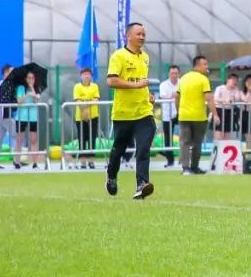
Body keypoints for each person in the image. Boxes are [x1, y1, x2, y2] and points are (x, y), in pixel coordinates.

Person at [105, 22, 157, 200]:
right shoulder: (118, 56)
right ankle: (111, 176)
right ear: (128, 36)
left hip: (144, 112)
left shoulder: (146, 57)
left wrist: (148, 94)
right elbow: (111, 81)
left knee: (143, 149)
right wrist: (136, 85)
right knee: (118, 151)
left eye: (143, 34)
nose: (142, 37)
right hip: (123, 114)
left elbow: (142, 82)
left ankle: (142, 184)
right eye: (138, 34)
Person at [176, 55, 219, 175]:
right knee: (197, 143)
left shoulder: (183, 78)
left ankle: (185, 168)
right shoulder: (203, 79)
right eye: (205, 64)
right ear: (198, 65)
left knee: (184, 142)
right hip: (199, 117)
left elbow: (177, 96)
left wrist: (178, 110)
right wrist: (215, 114)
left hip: (184, 116)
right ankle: (194, 167)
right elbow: (209, 99)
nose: (207, 67)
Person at [0, 64, 19, 170]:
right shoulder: (3, 84)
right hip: (3, 114)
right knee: (16, 135)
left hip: (3, 115)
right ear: (5, 73)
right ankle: (16, 160)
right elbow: (5, 99)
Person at [16, 71, 45, 169]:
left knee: (33, 140)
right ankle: (17, 162)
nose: (30, 80)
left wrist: (32, 89)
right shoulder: (21, 88)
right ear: (25, 79)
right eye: (29, 78)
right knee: (19, 139)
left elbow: (37, 100)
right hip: (21, 116)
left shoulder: (37, 88)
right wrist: (27, 94)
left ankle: (35, 163)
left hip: (33, 116)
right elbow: (19, 101)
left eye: (32, 78)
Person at [73, 68, 101, 169]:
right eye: (84, 74)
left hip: (93, 116)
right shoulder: (77, 87)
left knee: (92, 139)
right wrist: (85, 107)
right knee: (82, 139)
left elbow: (96, 99)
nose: (86, 76)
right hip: (80, 117)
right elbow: (77, 100)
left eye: (88, 74)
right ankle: (83, 162)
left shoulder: (95, 86)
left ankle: (91, 161)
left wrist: (87, 105)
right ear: (81, 75)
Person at [158, 65, 180, 169]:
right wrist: (174, 94)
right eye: (172, 73)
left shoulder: (182, 83)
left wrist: (175, 95)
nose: (174, 75)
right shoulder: (163, 84)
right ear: (169, 74)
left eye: (176, 73)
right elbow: (163, 96)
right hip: (168, 115)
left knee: (186, 136)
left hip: (181, 113)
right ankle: (170, 161)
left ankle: (184, 159)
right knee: (168, 138)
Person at [213, 74, 240, 141]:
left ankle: (225, 148)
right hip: (220, 110)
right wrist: (224, 100)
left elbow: (237, 99)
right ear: (228, 80)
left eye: (236, 80)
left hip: (230, 111)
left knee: (228, 133)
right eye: (233, 79)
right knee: (218, 132)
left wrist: (235, 91)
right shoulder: (220, 88)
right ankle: (218, 149)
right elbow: (215, 98)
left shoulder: (235, 90)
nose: (235, 82)